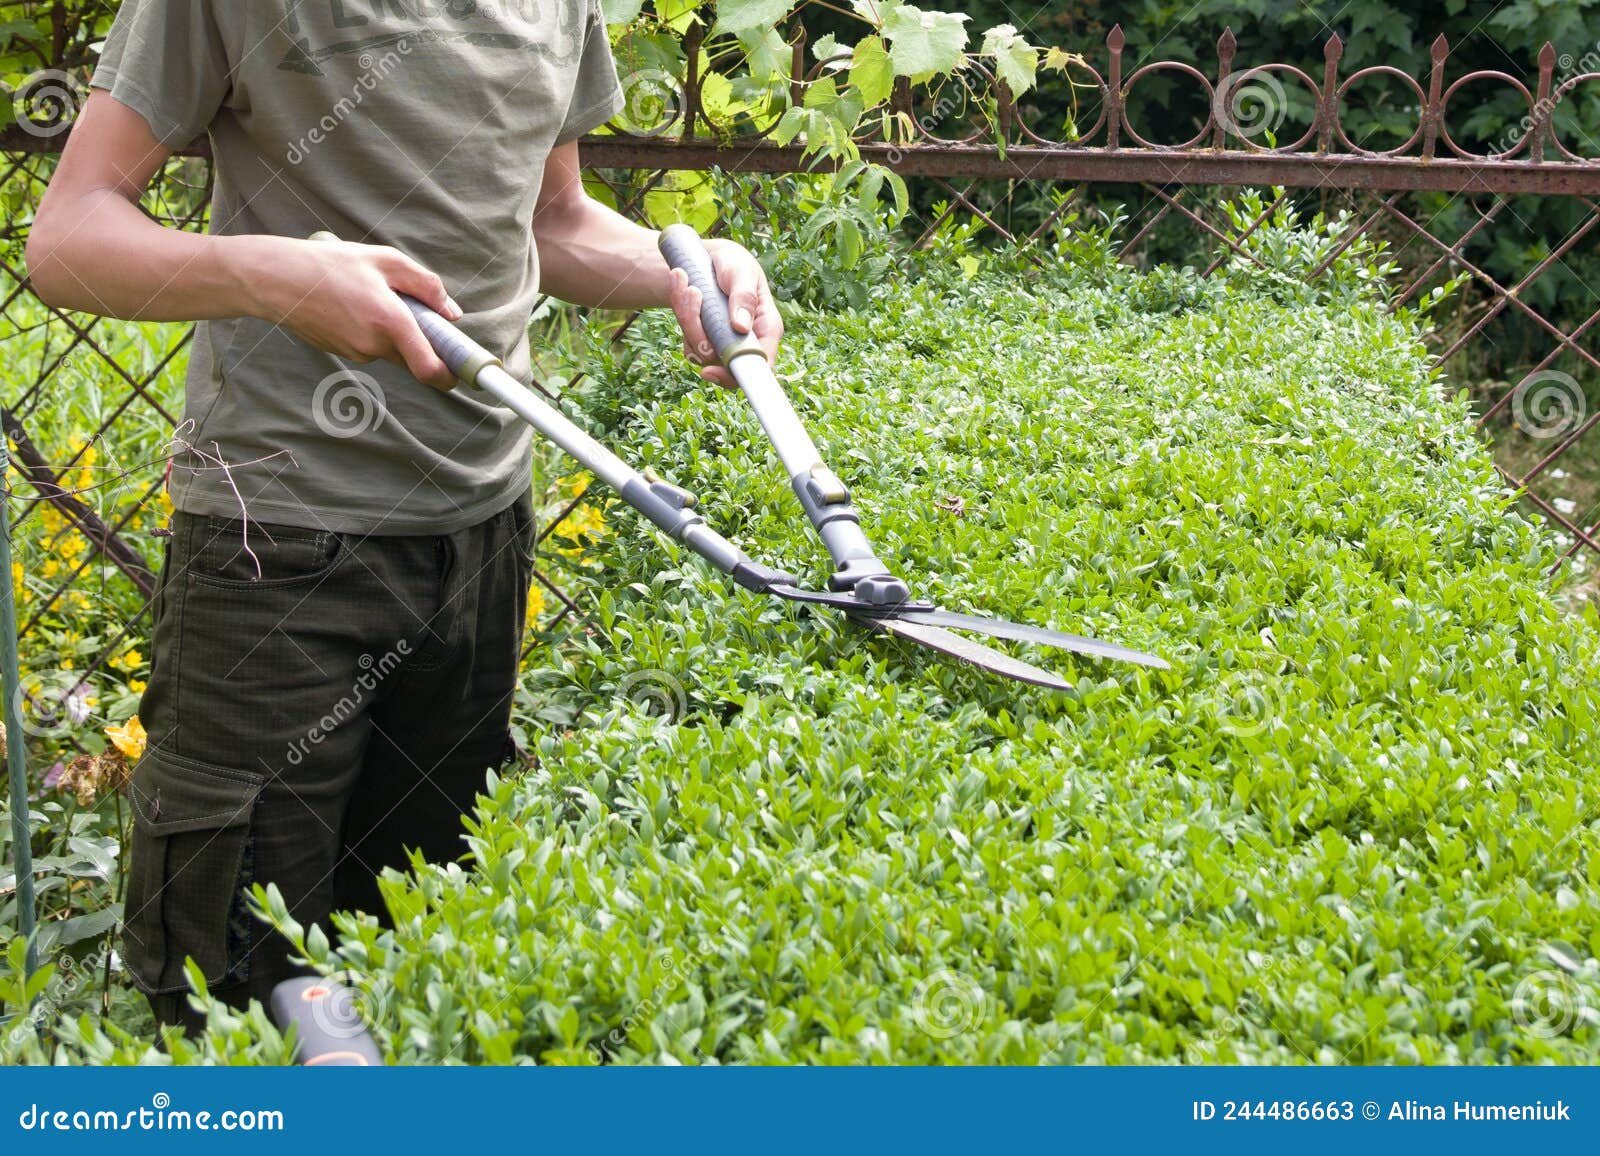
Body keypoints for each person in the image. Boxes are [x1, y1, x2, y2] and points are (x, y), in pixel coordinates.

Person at [25, 0, 782, 1033]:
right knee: (246, 995)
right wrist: (275, 274)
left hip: (481, 536)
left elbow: (553, 221)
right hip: (277, 549)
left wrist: (688, 269)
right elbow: (68, 236)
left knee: (409, 955)